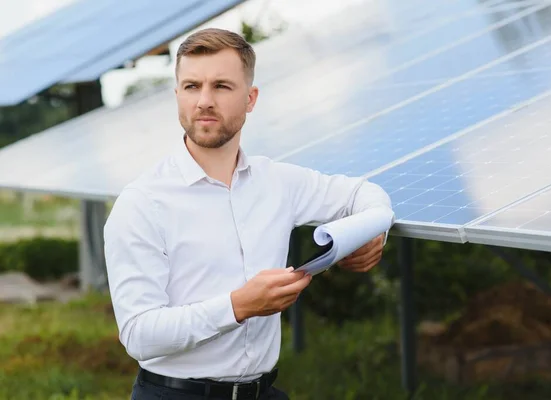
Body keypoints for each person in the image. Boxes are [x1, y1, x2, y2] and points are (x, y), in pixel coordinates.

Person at [103, 28, 394, 400]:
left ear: (251, 98)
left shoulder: (278, 182)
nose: (204, 101)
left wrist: (371, 230)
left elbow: (364, 193)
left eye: (222, 86)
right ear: (177, 95)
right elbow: (140, 335)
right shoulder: (142, 203)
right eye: (192, 86)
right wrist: (238, 306)